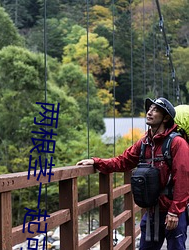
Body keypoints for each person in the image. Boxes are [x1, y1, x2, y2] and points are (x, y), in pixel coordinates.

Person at [76, 97, 189, 250]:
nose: (149, 112)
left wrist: (175, 212)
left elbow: (183, 178)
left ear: (166, 118)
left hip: (172, 211)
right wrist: (96, 162)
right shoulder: (144, 143)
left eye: (155, 110)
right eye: (149, 109)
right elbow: (123, 161)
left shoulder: (177, 143)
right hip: (152, 211)